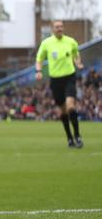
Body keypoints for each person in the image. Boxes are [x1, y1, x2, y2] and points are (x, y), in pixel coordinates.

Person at [36, 20, 84, 148]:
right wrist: (39, 71)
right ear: (52, 29)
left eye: (61, 26)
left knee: (70, 107)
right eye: (57, 27)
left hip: (69, 77)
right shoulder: (46, 43)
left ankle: (78, 136)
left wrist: (78, 62)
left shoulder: (71, 41)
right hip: (55, 80)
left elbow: (76, 54)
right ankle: (69, 138)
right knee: (62, 111)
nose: (59, 29)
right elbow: (39, 59)